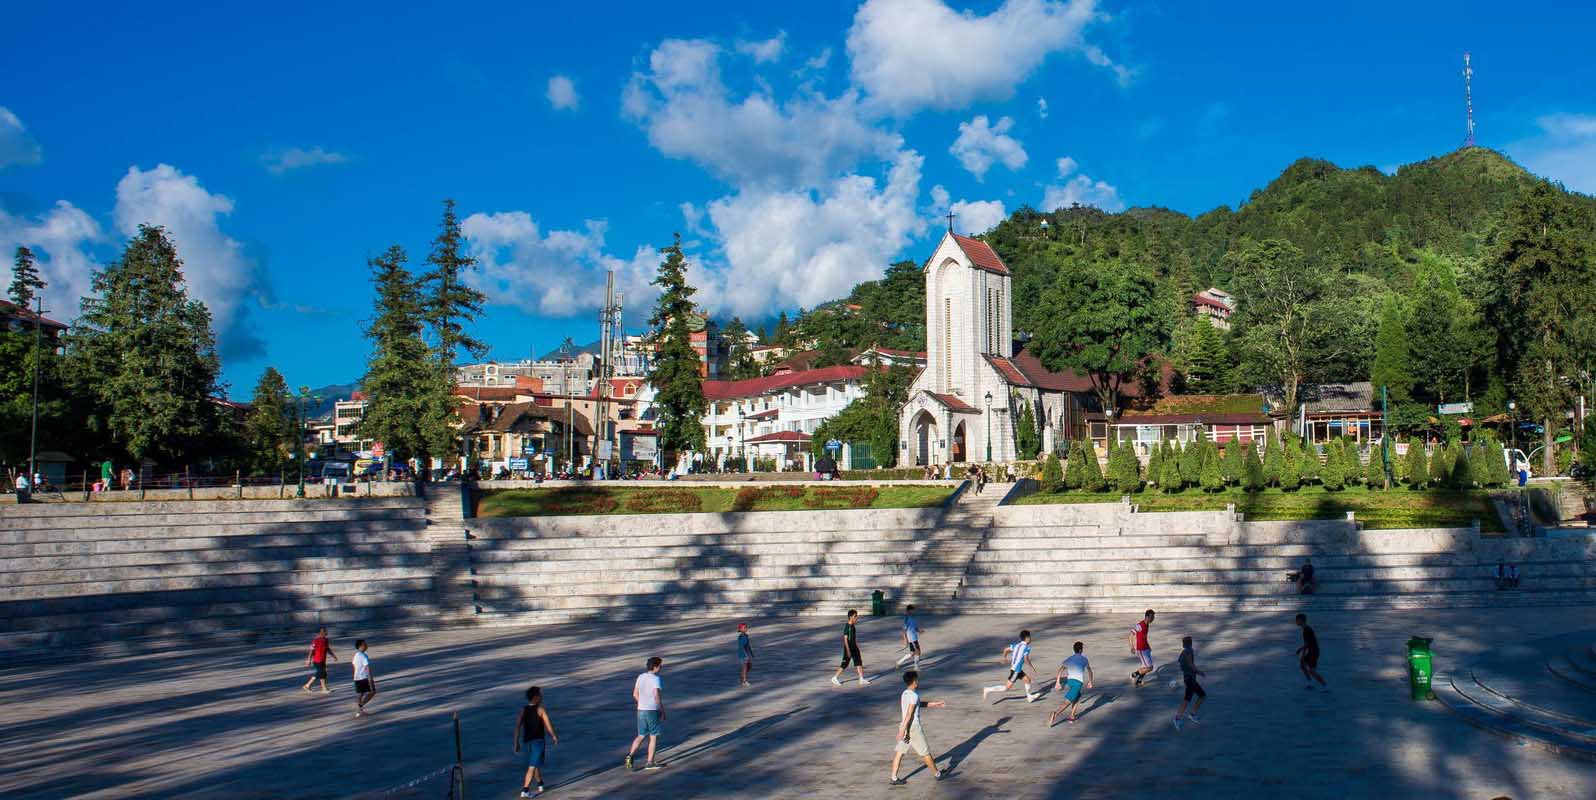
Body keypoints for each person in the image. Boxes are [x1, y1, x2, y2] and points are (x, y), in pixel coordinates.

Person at [889, 670, 947, 785]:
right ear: (914, 681)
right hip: (913, 729)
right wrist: (902, 731)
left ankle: (894, 778)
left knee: (900, 752)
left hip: (905, 727)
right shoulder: (914, 696)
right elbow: (909, 714)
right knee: (925, 752)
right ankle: (937, 774)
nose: (918, 681)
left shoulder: (905, 693)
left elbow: (919, 704)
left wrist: (935, 704)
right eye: (917, 679)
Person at [514, 686, 559, 797]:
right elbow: (548, 724)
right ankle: (525, 791)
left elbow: (517, 727)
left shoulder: (523, 710)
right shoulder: (540, 710)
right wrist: (553, 736)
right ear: (535, 697)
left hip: (527, 742)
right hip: (538, 743)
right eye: (540, 695)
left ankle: (540, 783)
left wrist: (516, 742)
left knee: (534, 764)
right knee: (532, 767)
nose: (541, 697)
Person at [626, 657, 666, 771]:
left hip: (641, 710)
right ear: (655, 667)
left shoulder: (640, 677)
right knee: (653, 737)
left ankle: (630, 756)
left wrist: (642, 703)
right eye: (660, 665)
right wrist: (662, 710)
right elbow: (656, 696)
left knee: (641, 735)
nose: (661, 667)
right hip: (652, 710)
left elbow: (634, 694)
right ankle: (650, 762)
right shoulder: (656, 679)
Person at [982, 630, 1040, 703]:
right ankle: (987, 689)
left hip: (1016, 669)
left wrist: (1004, 658)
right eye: (1030, 637)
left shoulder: (1016, 645)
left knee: (1027, 680)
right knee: (1006, 688)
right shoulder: (1027, 648)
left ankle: (1029, 697)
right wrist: (1032, 667)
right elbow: (1026, 659)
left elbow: (1006, 649)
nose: (1031, 639)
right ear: (1027, 638)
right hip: (1016, 670)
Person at [1048, 641, 1094, 726]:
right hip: (1077, 683)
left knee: (1077, 696)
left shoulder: (1069, 658)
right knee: (1067, 702)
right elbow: (1090, 671)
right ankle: (1055, 714)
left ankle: (1072, 716)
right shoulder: (1084, 659)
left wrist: (1057, 682)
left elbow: (1060, 670)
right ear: (1081, 650)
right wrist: (1091, 681)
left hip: (1070, 681)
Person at [1172, 636, 1206, 730]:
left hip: (1188, 678)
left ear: (1183, 644)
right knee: (1201, 696)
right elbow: (1191, 664)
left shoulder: (1183, 652)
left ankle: (1187, 716)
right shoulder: (1189, 651)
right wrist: (1199, 672)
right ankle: (1180, 718)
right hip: (1190, 679)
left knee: (1188, 699)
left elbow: (1181, 664)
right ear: (1190, 643)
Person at [832, 609, 871, 686]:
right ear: (850, 617)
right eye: (855, 616)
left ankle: (861, 679)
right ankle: (835, 677)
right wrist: (848, 650)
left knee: (858, 662)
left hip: (854, 648)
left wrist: (857, 646)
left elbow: (853, 638)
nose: (856, 618)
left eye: (856, 616)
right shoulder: (848, 627)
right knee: (845, 664)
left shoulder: (852, 626)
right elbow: (845, 639)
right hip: (849, 648)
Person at [301, 626, 337, 693]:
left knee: (322, 673)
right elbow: (311, 650)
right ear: (320, 632)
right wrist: (308, 660)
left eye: (325, 631)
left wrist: (333, 656)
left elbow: (327, 649)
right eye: (324, 631)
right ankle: (311, 686)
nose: (326, 632)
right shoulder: (316, 640)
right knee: (321, 673)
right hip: (317, 660)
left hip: (323, 660)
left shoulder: (326, 640)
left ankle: (319, 687)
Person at [1295, 613, 1327, 690]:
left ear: (1301, 620)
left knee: (1312, 671)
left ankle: (1325, 685)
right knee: (1302, 666)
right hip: (1312, 651)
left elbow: (1307, 644)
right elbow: (1307, 643)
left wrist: (1302, 654)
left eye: (1297, 620)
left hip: (1313, 652)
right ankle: (1310, 683)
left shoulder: (1307, 630)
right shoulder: (1306, 629)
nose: (1296, 622)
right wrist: (1300, 649)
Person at [1129, 609, 1156, 687]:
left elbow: (1144, 637)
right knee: (1150, 667)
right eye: (1151, 618)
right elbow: (1130, 636)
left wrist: (1148, 646)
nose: (1152, 619)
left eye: (1153, 618)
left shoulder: (1147, 624)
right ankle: (1133, 675)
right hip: (1141, 649)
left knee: (1145, 666)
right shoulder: (1139, 625)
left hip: (1146, 648)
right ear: (1147, 617)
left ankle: (1138, 681)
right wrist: (1132, 647)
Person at [352, 639, 377, 716]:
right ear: (360, 646)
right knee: (372, 692)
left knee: (360, 694)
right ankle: (360, 707)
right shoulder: (363, 656)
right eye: (364, 644)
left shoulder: (356, 655)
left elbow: (353, 665)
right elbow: (367, 669)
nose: (366, 645)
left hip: (357, 677)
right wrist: (370, 680)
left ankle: (360, 710)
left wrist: (354, 675)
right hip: (364, 677)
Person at [895, 605, 922, 671]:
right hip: (911, 639)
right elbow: (904, 629)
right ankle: (916, 667)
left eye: (914, 610)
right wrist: (905, 639)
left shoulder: (913, 619)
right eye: (912, 610)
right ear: (908, 611)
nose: (913, 611)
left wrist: (919, 631)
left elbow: (915, 628)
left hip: (914, 638)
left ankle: (899, 662)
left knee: (913, 653)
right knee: (918, 652)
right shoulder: (907, 618)